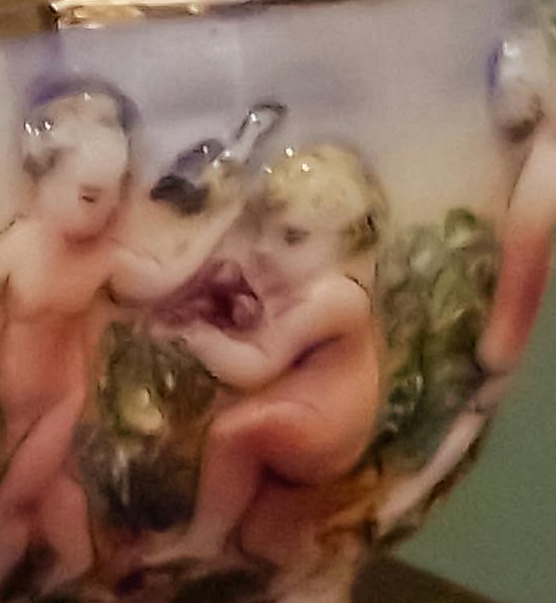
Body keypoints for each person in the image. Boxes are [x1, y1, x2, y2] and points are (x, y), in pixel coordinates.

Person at [0, 80, 265, 603]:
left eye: (116, 192)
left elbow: (163, 278)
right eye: (88, 196)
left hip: (59, 399)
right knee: (54, 490)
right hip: (15, 406)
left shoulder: (103, 257)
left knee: (12, 503)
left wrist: (220, 222)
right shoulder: (22, 244)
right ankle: (76, 566)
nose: (105, 211)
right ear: (42, 183)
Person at [167, 139, 390, 580]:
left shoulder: (334, 297)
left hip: (325, 427)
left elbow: (257, 365)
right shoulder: (306, 286)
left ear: (346, 243)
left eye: (292, 237)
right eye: (264, 230)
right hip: (309, 407)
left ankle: (205, 539)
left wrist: (202, 341)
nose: (265, 249)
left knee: (233, 434)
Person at [481, 12, 556, 377]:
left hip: (555, 153)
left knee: (526, 237)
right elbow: (515, 114)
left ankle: (502, 344)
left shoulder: (555, 154)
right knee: (523, 241)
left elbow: (519, 113)